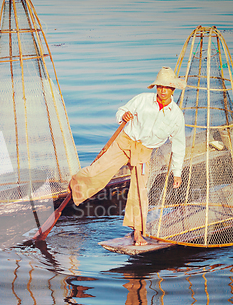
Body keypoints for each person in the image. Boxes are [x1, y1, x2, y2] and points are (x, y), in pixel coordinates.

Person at [70, 66, 186, 246]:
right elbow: (121, 111)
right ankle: (74, 187)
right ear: (156, 87)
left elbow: (178, 145)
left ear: (173, 89)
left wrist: (176, 172)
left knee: (140, 192)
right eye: (160, 87)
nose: (163, 91)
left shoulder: (176, 115)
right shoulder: (142, 100)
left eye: (167, 87)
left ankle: (137, 233)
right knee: (97, 172)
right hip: (124, 142)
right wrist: (123, 115)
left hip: (143, 152)